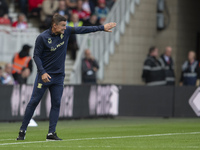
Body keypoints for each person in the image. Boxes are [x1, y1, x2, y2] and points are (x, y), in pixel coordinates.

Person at [16, 13, 116, 140]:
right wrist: (42, 72)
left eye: (65, 25)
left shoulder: (67, 32)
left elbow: (83, 29)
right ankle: (22, 131)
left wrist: (101, 27)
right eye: (63, 25)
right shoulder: (42, 37)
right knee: (34, 102)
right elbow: (36, 56)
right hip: (44, 76)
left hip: (58, 77)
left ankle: (51, 133)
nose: (65, 27)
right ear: (54, 26)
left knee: (56, 103)